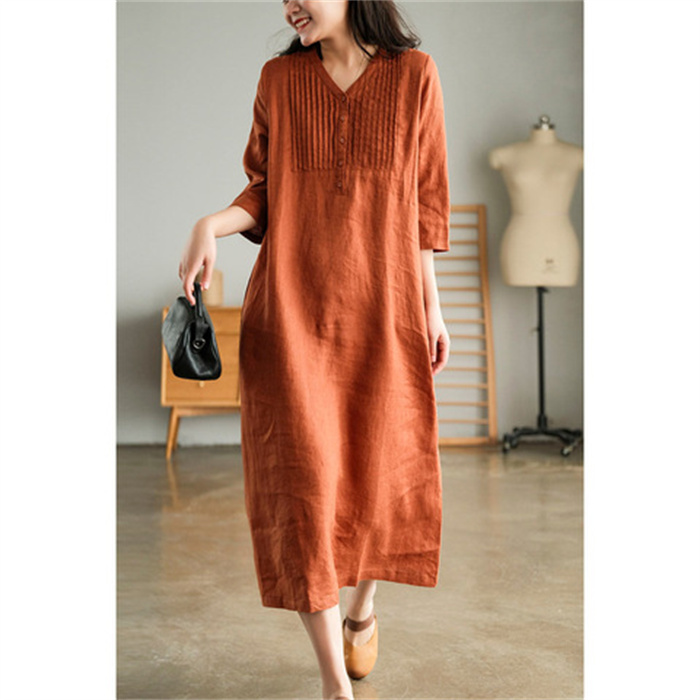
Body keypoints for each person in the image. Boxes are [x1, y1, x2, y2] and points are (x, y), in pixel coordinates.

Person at [178, 1, 451, 698]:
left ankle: (363, 606)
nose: (291, 4)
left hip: (383, 308)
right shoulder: (278, 80)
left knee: (378, 475)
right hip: (291, 318)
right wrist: (208, 223)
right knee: (300, 490)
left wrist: (432, 308)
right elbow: (262, 194)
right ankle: (336, 684)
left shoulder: (415, 75)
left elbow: (424, 204)